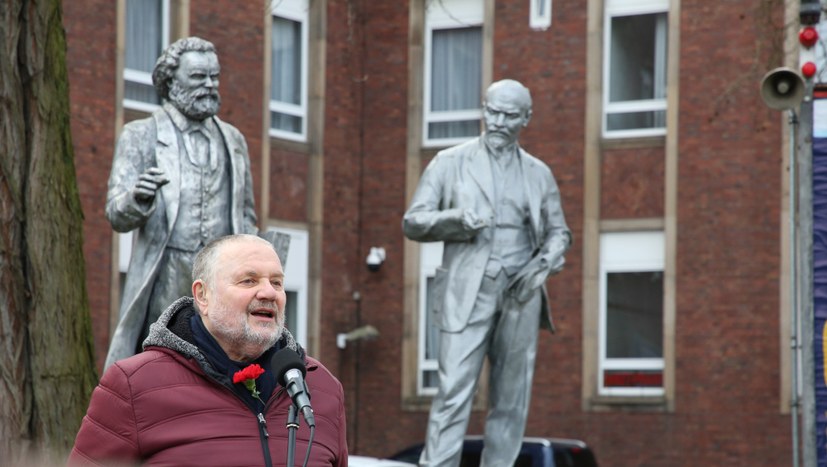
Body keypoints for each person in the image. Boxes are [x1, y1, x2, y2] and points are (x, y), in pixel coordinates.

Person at [402, 79, 571, 467]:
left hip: (521, 293)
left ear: (526, 119)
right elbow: (414, 222)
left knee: (512, 401)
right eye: (491, 111)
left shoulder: (538, 173)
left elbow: (559, 232)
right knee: (452, 394)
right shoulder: (450, 162)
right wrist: (456, 220)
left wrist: (545, 262)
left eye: (509, 115)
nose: (497, 121)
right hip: (467, 292)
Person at [69, 234, 348, 466]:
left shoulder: (321, 387)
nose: (269, 293)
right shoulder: (133, 385)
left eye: (276, 282)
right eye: (248, 280)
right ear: (203, 295)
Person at [104, 36, 258, 369]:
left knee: (221, 358)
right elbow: (116, 212)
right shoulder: (141, 134)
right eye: (198, 77)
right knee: (164, 358)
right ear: (171, 82)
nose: (210, 85)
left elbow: (246, 215)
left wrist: (255, 266)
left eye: (214, 77)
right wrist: (138, 198)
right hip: (167, 270)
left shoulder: (233, 140)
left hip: (222, 276)